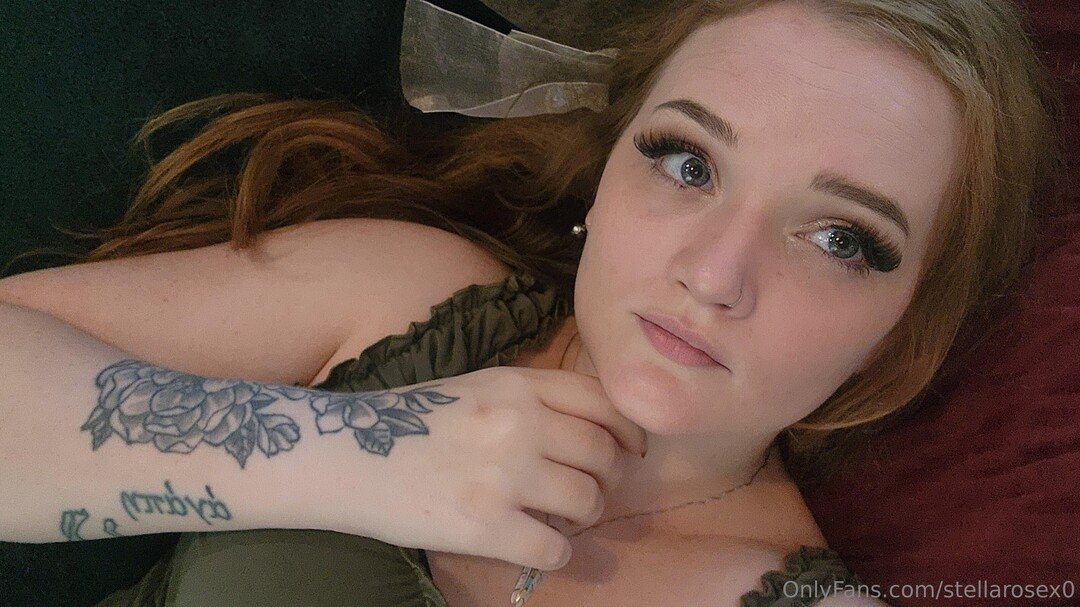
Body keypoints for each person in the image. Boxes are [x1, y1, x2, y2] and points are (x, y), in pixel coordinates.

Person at [0, 0, 1059, 605]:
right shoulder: (408, 298)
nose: (714, 273)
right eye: (687, 163)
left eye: (839, 239)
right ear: (604, 175)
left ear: (902, 333)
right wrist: (350, 452)